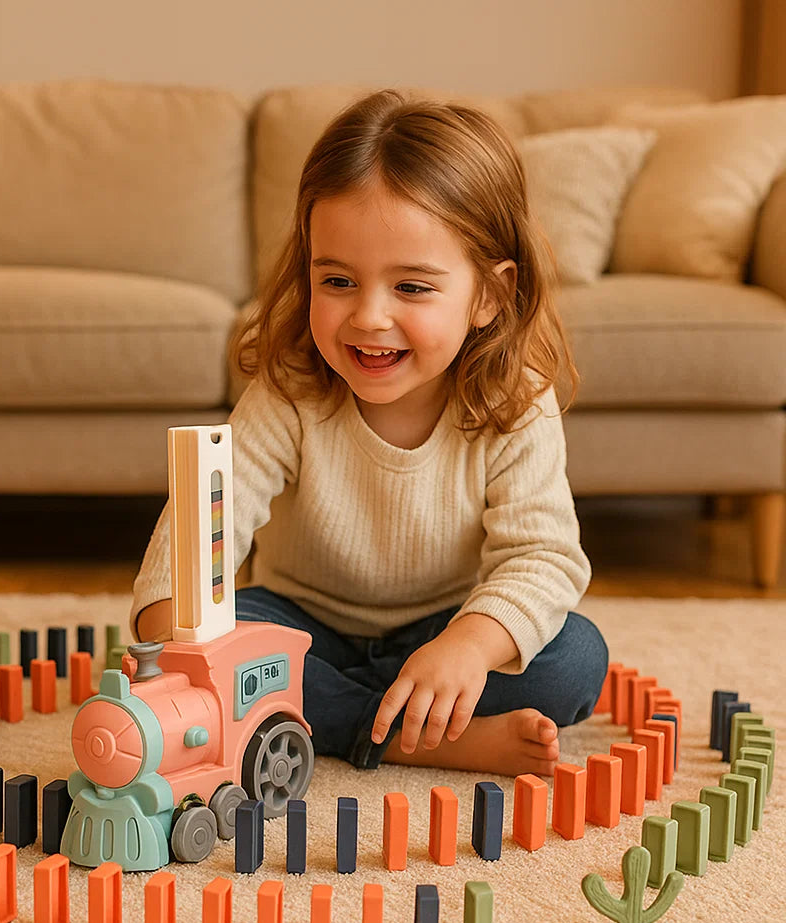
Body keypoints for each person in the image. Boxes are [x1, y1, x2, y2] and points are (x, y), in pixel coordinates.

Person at [131, 89, 608, 778]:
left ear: (489, 295)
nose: (369, 317)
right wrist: (171, 625)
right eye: (338, 280)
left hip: (446, 627)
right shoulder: (291, 391)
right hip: (305, 628)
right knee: (225, 650)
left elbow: (544, 558)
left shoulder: (516, 400)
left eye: (411, 287)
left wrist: (470, 646)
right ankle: (415, 737)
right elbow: (209, 520)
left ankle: (355, 715)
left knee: (575, 658)